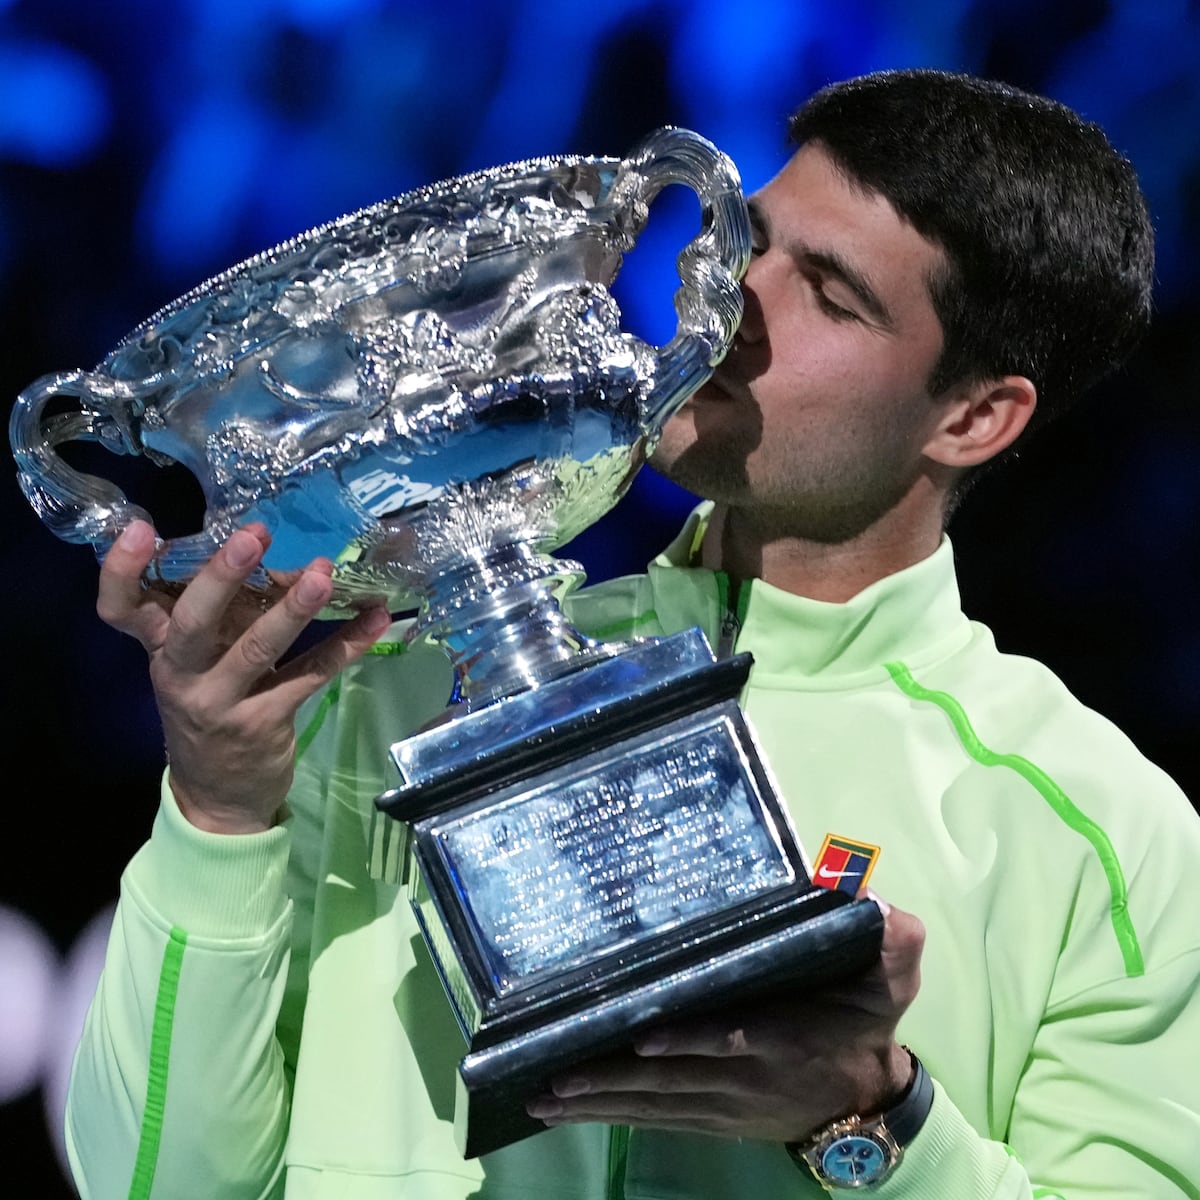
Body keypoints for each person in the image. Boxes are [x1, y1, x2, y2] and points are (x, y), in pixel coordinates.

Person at [64, 68, 1200, 1199]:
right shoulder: (382, 688)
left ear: (974, 417)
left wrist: (873, 1123)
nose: (734, 300)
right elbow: (150, 1183)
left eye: (833, 295)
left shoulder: (1099, 825)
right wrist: (217, 810)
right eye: (750, 241)